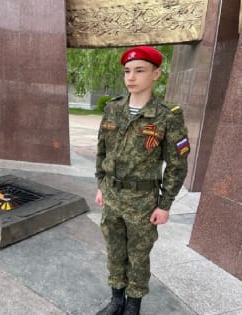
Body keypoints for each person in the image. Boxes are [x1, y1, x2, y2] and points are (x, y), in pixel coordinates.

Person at [94, 46, 190, 315]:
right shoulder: (113, 109)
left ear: (156, 73)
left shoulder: (168, 114)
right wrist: (101, 184)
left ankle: (133, 304)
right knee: (114, 250)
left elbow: (177, 163)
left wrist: (165, 204)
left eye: (139, 70)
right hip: (112, 196)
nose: (131, 77)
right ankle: (116, 299)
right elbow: (102, 150)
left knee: (138, 255)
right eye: (127, 71)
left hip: (143, 201)